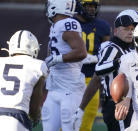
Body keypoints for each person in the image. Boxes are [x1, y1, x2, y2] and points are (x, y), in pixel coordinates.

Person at [73, 9, 138, 131]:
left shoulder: (130, 50)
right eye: (126, 29)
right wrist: (119, 61)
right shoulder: (111, 48)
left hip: (131, 103)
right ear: (116, 31)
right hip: (117, 104)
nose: (130, 32)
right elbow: (99, 69)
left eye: (133, 29)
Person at [41, 0, 87, 131]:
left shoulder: (68, 23)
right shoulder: (56, 25)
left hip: (70, 88)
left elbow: (81, 52)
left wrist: (57, 59)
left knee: (69, 126)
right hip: (55, 87)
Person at [0, 30, 48, 131]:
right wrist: (35, 117)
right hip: (16, 118)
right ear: (34, 48)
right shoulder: (38, 66)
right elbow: (36, 101)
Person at [74, 0, 111, 130]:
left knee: (86, 124)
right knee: (67, 123)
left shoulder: (102, 26)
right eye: (88, 5)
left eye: (94, 6)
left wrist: (96, 58)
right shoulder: (70, 24)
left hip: (92, 80)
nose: (91, 9)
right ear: (80, 5)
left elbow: (108, 54)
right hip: (70, 79)